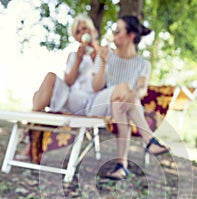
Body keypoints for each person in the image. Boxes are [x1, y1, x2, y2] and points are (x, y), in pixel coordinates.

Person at [86, 15, 170, 180]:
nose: (114, 35)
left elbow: (141, 89)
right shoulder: (105, 54)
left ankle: (121, 166)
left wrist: (132, 95)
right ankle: (150, 140)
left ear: (131, 36)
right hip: (98, 104)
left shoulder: (143, 64)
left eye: (118, 31)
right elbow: (96, 87)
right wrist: (102, 62)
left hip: (120, 105)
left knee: (121, 102)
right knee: (125, 89)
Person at [16, 14, 98, 163]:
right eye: (78, 32)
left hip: (86, 100)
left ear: (92, 30)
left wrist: (95, 51)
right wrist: (78, 60)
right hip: (70, 94)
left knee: (38, 97)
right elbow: (68, 82)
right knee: (49, 77)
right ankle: (32, 127)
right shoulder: (74, 55)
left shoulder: (103, 53)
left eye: (84, 29)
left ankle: (29, 135)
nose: (82, 33)